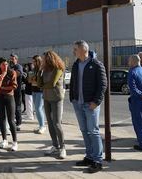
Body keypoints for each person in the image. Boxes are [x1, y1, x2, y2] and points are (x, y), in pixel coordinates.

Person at [70, 40, 106, 174]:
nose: (73, 51)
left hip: (91, 104)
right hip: (78, 103)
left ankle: (98, 161)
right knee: (84, 131)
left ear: (83, 50)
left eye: (75, 49)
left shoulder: (96, 64)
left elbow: (103, 85)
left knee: (93, 131)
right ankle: (89, 157)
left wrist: (96, 102)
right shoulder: (76, 64)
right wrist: (72, 98)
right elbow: (74, 81)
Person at [37, 51, 66, 159]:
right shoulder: (44, 69)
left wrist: (43, 86)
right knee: (49, 123)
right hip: (47, 98)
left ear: (50, 58)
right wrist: (39, 72)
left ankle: (63, 147)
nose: (42, 60)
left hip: (56, 98)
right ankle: (55, 146)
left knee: (57, 123)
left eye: (44, 59)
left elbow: (52, 83)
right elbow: (39, 84)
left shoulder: (58, 68)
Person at [0, 57, 18, 151]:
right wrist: (2, 75)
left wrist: (3, 88)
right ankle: (4, 140)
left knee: (11, 120)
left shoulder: (12, 72)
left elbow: (14, 86)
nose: (5, 66)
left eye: (7, 64)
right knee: (2, 119)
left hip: (9, 97)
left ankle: (15, 142)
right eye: (3, 64)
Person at [30, 55, 46, 134]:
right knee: (37, 109)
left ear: (38, 61)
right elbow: (31, 80)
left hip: (40, 91)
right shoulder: (34, 69)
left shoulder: (41, 69)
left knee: (38, 108)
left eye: (34, 61)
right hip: (34, 90)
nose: (33, 63)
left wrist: (34, 80)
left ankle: (42, 126)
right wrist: (31, 79)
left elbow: (42, 81)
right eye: (33, 61)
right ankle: (40, 125)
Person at [9, 54, 23, 131]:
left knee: (17, 107)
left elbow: (18, 73)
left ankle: (19, 123)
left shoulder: (18, 66)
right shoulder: (10, 67)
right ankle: (13, 122)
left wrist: (9, 72)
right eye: (11, 59)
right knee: (12, 107)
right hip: (10, 90)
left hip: (17, 90)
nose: (11, 60)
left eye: (13, 59)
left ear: (16, 59)